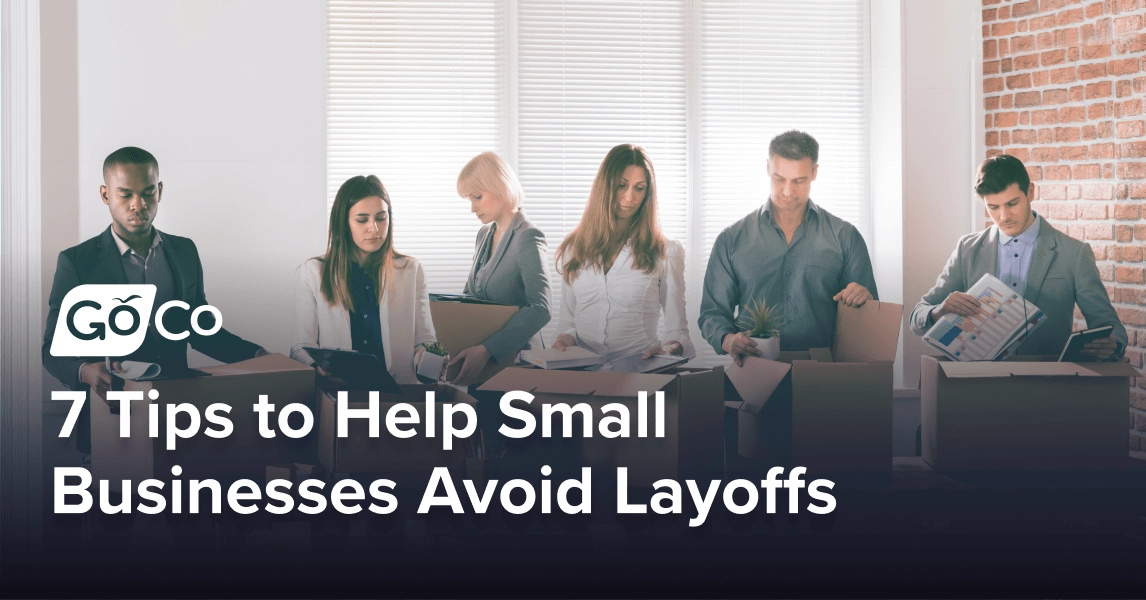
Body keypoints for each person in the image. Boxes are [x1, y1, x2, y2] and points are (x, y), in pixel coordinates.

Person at [42, 146, 268, 457]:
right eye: (125, 194)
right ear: (105, 195)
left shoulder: (184, 252)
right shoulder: (78, 262)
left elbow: (202, 331)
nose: (139, 204)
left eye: (148, 192)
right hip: (111, 421)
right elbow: (53, 350)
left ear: (160, 190)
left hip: (178, 419)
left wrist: (260, 355)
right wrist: (85, 371)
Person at [910, 154, 1126, 359]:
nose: (1004, 216)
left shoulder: (1074, 253)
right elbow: (917, 316)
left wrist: (1113, 345)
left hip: (1046, 380)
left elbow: (1110, 326)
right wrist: (939, 311)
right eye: (993, 207)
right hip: (978, 380)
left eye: (1012, 203)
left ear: (1030, 192)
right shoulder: (967, 249)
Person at [698, 130, 878, 366]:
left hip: (824, 373)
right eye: (779, 179)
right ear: (767, 169)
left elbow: (870, 317)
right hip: (753, 369)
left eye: (799, 181)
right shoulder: (731, 239)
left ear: (814, 173)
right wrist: (727, 339)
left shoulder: (845, 237)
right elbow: (712, 313)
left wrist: (866, 300)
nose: (787, 191)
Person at [552, 143, 695, 362]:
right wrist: (564, 339)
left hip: (641, 370)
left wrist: (668, 349)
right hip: (583, 371)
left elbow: (678, 331)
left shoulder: (666, 252)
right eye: (621, 185)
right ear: (605, 187)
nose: (629, 198)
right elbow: (568, 322)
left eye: (639, 188)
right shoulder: (574, 249)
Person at [292, 175, 440, 385]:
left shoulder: (410, 270)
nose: (374, 228)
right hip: (340, 392)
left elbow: (425, 342)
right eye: (362, 220)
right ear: (344, 223)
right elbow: (301, 347)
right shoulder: (312, 272)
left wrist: (431, 360)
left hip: (399, 393)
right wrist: (317, 368)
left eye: (381, 218)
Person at [451, 152, 552, 386]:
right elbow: (470, 296)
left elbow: (540, 308)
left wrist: (487, 349)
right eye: (469, 200)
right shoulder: (484, 234)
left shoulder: (528, 236)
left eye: (477, 197)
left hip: (518, 365)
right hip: (482, 365)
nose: (473, 208)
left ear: (500, 187)